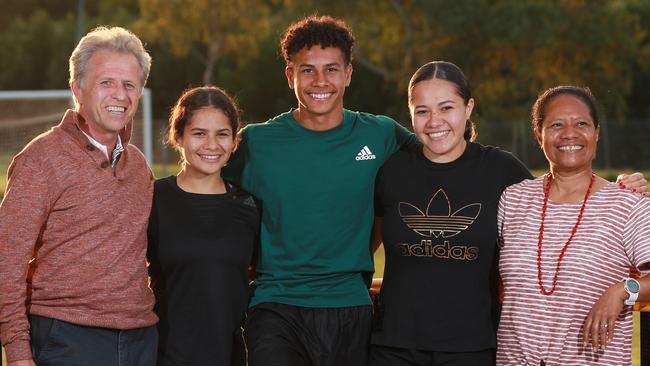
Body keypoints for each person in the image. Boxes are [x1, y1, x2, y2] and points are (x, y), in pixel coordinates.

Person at [368, 62, 648, 366]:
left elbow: (568, 195)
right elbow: (363, 241)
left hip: (473, 347)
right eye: (422, 111)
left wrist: (622, 195)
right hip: (401, 347)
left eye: (446, 107)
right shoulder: (393, 171)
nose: (435, 120)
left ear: (469, 107)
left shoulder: (503, 172)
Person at [223, 15, 415, 366]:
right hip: (275, 303)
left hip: (350, 304)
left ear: (348, 74)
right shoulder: (255, 141)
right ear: (289, 76)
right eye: (307, 70)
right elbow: (207, 192)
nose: (320, 81)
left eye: (331, 69)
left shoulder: (382, 135)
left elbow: (442, 160)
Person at [0, 27, 157, 365]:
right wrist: (17, 352)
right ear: (77, 89)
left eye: (129, 85)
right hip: (67, 338)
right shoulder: (40, 160)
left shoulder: (139, 166)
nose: (120, 95)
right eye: (106, 82)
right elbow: (7, 262)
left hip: (140, 339)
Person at [496, 86, 650, 365]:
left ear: (597, 133)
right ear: (538, 135)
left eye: (581, 124)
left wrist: (622, 291)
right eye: (556, 124)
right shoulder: (513, 199)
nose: (569, 133)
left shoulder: (628, 206)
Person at [147, 86, 259, 365]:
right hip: (166, 354)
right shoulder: (152, 198)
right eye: (199, 133)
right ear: (179, 136)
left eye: (222, 134)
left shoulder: (250, 206)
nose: (211, 145)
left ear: (234, 141)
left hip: (231, 356)